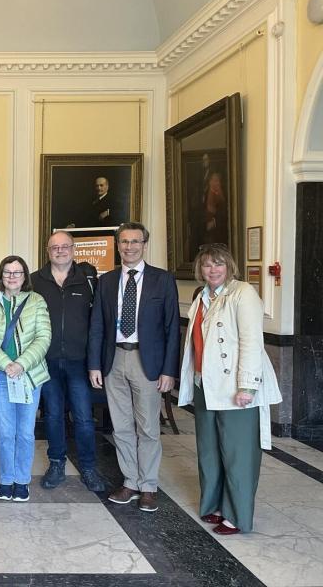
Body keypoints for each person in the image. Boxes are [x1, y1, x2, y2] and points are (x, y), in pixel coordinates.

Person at [178, 244, 281, 534]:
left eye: (219, 264)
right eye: (207, 265)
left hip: (236, 388)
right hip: (205, 384)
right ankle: (215, 505)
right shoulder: (201, 296)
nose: (213, 270)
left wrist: (247, 385)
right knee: (209, 452)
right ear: (200, 269)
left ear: (229, 266)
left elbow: (251, 341)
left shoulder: (243, 293)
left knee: (238, 454)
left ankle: (237, 515)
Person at [88, 222, 181, 513]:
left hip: (148, 362)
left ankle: (148, 485)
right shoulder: (106, 281)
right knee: (121, 426)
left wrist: (169, 371)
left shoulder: (162, 280)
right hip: (114, 359)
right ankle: (130, 481)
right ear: (118, 246)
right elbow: (97, 325)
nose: (129, 247)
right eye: (124, 242)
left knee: (149, 427)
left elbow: (172, 328)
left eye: (135, 241)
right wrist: (94, 365)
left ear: (144, 245)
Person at [31, 230, 105, 492]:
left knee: (84, 418)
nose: (60, 251)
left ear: (73, 249)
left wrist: (95, 362)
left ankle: (88, 467)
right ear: (48, 251)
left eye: (65, 246)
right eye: (55, 247)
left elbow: (98, 324)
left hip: (79, 362)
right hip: (47, 361)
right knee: (52, 416)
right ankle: (56, 464)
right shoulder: (35, 281)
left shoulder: (88, 281)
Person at [0, 255, 50, 502]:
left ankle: (22, 481)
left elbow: (43, 338)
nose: (12, 276)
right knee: (6, 432)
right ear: (1, 275)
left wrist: (21, 364)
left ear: (24, 276)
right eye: (7, 272)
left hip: (29, 377)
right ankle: (7, 480)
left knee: (26, 433)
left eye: (17, 272)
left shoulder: (37, 301)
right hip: (0, 375)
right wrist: (5, 363)